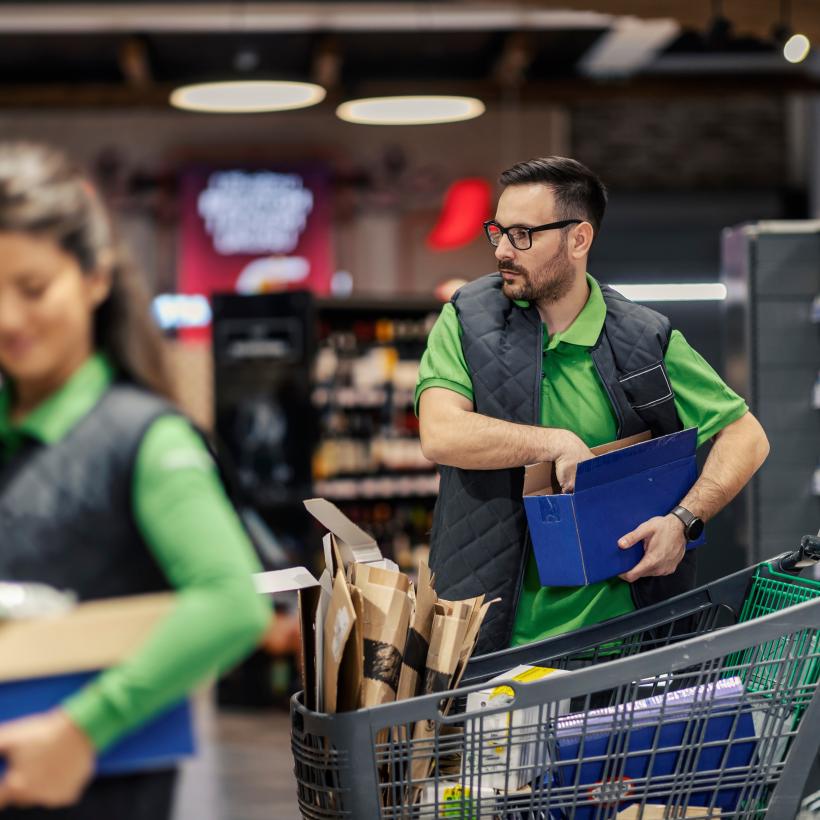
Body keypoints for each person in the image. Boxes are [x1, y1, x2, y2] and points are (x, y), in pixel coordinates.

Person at [0, 142, 271, 817]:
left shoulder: (142, 437)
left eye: (33, 289)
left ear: (94, 279)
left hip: (94, 790)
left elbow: (232, 602)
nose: (8, 320)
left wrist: (83, 729)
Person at [416, 156, 769, 656]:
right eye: (496, 231)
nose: (500, 250)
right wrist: (555, 442)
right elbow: (441, 433)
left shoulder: (645, 340)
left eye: (522, 234)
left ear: (578, 239)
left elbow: (746, 436)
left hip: (621, 647)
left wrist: (685, 520)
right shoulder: (466, 322)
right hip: (491, 647)